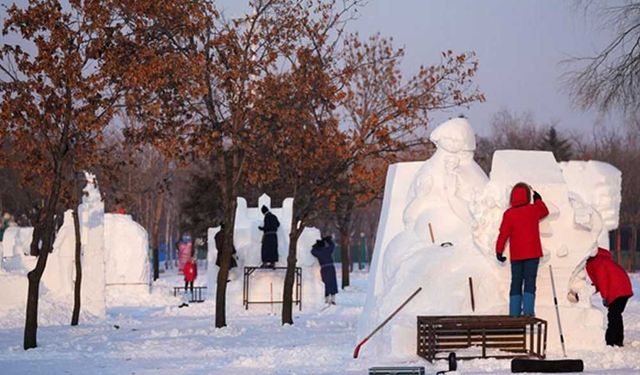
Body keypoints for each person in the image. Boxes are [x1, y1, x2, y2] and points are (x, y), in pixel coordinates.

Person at [495, 182, 549, 317]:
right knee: (530, 281)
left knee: (516, 282)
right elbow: (544, 211)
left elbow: (503, 233)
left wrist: (499, 250)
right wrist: (538, 199)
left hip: (517, 255)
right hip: (533, 253)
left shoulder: (509, 214)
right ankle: (528, 312)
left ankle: (514, 313)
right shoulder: (533, 210)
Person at [570, 247, 633, 346]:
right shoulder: (602, 260)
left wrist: (605, 297)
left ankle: (612, 341)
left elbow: (602, 280)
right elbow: (600, 282)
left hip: (618, 290)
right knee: (616, 315)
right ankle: (618, 340)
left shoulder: (595, 262)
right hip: (624, 288)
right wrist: (588, 291)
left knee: (613, 315)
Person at [311, 236, 338, 305]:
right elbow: (332, 246)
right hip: (331, 267)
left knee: (325, 282)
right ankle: (333, 298)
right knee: (332, 282)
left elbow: (312, 251)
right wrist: (329, 240)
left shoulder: (318, 252)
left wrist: (315, 245)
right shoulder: (327, 250)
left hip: (324, 269)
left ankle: (326, 298)